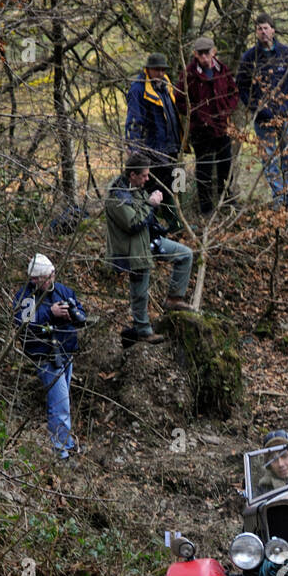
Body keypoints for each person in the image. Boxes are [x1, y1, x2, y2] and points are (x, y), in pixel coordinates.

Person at [104, 154, 194, 346]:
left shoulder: (137, 189)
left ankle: (174, 298)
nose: (147, 179)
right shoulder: (117, 196)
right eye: (144, 176)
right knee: (140, 291)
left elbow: (146, 218)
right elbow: (133, 223)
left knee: (185, 255)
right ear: (133, 175)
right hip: (132, 251)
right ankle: (143, 330)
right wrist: (150, 204)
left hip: (148, 243)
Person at [13, 254, 85, 463]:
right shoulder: (26, 297)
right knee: (59, 403)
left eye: (51, 276)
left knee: (63, 401)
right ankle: (60, 452)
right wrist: (50, 314)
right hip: (45, 356)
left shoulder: (63, 290)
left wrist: (74, 313)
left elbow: (80, 311)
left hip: (66, 352)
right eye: (44, 278)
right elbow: (24, 325)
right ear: (34, 279)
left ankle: (67, 443)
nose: (49, 281)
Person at [237, 14, 288, 210]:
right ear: (256, 32)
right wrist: (256, 107)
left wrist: (287, 104)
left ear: (273, 30)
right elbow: (241, 86)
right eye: (259, 29)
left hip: (284, 115)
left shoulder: (286, 53)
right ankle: (278, 197)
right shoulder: (249, 58)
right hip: (262, 118)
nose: (263, 32)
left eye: (266, 28)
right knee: (268, 158)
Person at [175, 36, 239, 217]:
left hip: (222, 127)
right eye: (200, 54)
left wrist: (227, 109)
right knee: (204, 169)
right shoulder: (189, 74)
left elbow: (234, 92)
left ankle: (225, 199)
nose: (204, 57)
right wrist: (197, 113)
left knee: (225, 164)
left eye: (207, 53)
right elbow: (179, 100)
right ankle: (206, 208)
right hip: (200, 130)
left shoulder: (222, 69)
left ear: (214, 52)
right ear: (195, 54)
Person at [125, 53, 183, 234]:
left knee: (175, 184)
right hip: (152, 150)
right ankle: (152, 226)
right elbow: (133, 121)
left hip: (172, 146)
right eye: (157, 69)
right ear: (148, 69)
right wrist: (135, 150)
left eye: (162, 69)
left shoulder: (165, 85)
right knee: (155, 189)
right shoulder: (138, 89)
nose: (160, 72)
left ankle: (175, 223)